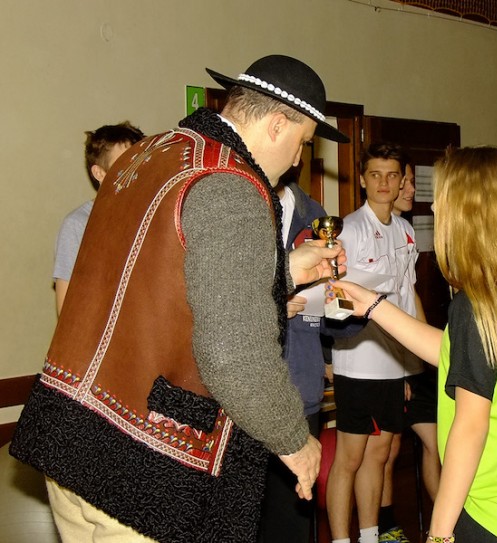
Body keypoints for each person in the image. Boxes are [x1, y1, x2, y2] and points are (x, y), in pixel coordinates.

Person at [11, 54, 348, 543]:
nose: (298, 159)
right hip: (140, 466)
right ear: (277, 125)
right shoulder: (230, 185)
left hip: (71, 435)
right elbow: (234, 352)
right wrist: (295, 440)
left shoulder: (151, 154)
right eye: (303, 142)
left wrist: (285, 271)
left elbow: (163, 277)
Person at [326, 145, 497, 543]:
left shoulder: (475, 303)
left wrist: (440, 533)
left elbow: (470, 426)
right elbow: (457, 350)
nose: (434, 207)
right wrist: (372, 305)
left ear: (464, 212)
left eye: (442, 199)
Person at [325, 142, 417, 543]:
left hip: (393, 365)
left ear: (400, 181)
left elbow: (408, 299)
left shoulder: (406, 231)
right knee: (350, 458)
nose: (384, 182)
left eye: (392, 175)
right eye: (375, 174)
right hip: (358, 362)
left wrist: (412, 363)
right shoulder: (349, 230)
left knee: (380, 455)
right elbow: (333, 299)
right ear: (363, 179)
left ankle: (369, 535)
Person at [258, 167, 329, 543]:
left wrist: (343, 306)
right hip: (247, 393)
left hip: (301, 385)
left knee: (293, 518)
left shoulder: (314, 215)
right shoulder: (238, 204)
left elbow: (330, 323)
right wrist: (271, 308)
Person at [379, 161, 440, 543]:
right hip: (385, 359)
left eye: (412, 182)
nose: (410, 190)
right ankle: (385, 525)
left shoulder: (407, 231)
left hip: (413, 361)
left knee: (436, 441)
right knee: (388, 447)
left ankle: (445, 520)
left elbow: (411, 293)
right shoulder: (366, 232)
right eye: (405, 182)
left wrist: (428, 345)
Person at [53, 121, 145, 315]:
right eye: (125, 165)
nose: (135, 173)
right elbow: (66, 308)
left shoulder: (150, 217)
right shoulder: (78, 224)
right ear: (99, 173)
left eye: (139, 163)